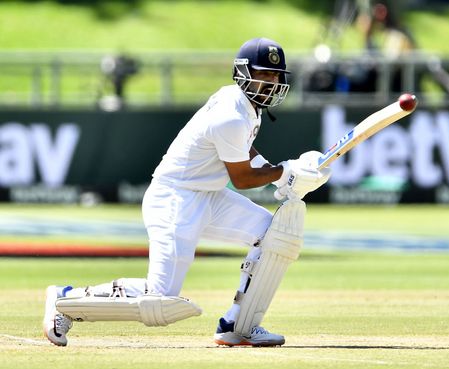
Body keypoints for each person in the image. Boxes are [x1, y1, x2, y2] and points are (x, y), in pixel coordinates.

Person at [43, 37, 331, 347]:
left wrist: (279, 175)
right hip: (174, 199)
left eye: (275, 76)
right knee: (160, 297)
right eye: (263, 74)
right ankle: (65, 299)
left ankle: (239, 324)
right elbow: (243, 178)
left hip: (208, 196)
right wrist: (287, 172)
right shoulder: (230, 115)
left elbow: (243, 149)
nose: (270, 83)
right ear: (243, 74)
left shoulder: (244, 105)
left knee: (275, 236)